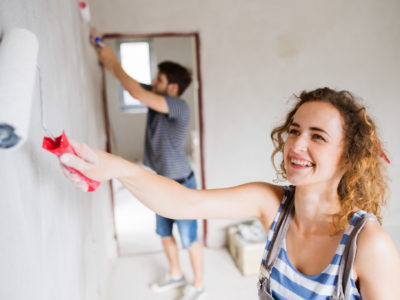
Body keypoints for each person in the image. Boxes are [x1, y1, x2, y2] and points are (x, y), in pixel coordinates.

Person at [59, 87, 400, 299]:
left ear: (349, 157)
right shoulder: (272, 205)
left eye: (318, 136)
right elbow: (182, 202)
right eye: (294, 130)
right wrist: (113, 167)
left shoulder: (368, 245)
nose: (297, 144)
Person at [89, 29, 205, 299]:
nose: (154, 81)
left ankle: (199, 284)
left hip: (182, 185)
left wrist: (111, 58)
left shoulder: (178, 106)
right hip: (159, 182)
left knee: (189, 239)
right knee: (164, 233)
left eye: (160, 79)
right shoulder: (157, 98)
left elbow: (135, 91)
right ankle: (175, 274)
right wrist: (101, 52)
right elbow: (131, 84)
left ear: (172, 88)